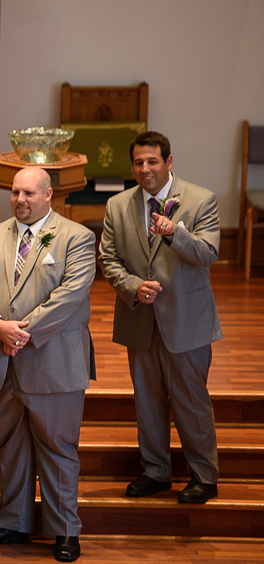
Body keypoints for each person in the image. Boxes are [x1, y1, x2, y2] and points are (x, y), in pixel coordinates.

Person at [0, 167, 95, 562]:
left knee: (58, 447)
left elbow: (71, 295)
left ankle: (64, 529)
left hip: (52, 359)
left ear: (49, 194)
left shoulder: (78, 237)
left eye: (29, 193)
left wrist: (22, 333)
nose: (20, 199)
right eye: (15, 192)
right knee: (10, 445)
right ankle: (12, 520)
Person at [99, 131, 221, 504]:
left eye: (153, 161)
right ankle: (155, 471)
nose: (145, 168)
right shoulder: (118, 205)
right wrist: (133, 285)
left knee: (190, 399)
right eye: (139, 162)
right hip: (140, 317)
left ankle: (204, 474)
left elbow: (209, 252)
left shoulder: (201, 200)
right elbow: (108, 259)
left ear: (169, 162)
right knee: (147, 400)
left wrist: (176, 234)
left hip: (186, 318)